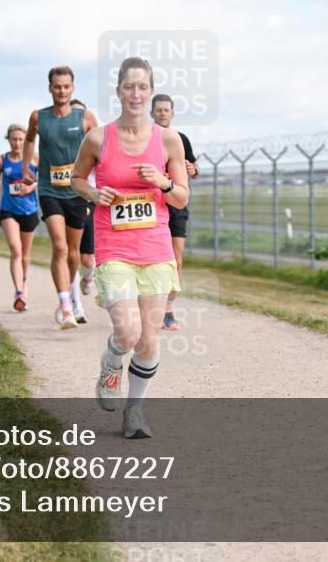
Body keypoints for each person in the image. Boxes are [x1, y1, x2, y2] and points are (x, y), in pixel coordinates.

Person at [70, 57, 189, 439]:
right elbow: (76, 178)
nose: (135, 93)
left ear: (150, 91)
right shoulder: (97, 138)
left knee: (150, 340)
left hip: (154, 247)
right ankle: (111, 362)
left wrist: (164, 182)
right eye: (128, 87)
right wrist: (93, 191)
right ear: (118, 91)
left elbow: (182, 199)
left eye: (142, 87)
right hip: (114, 246)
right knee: (127, 332)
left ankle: (134, 413)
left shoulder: (168, 140)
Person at [22, 66, 99, 330]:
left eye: (66, 86)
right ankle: (65, 304)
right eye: (57, 86)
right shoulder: (38, 117)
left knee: (74, 252)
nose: (62, 91)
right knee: (60, 246)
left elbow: (100, 149)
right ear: (50, 88)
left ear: (73, 88)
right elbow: (29, 140)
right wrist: (25, 168)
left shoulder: (86, 117)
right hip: (49, 189)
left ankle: (73, 290)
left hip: (76, 191)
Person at [151, 94, 199, 330]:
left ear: (172, 114)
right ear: (151, 113)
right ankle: (148, 306)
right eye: (158, 110)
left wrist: (192, 168)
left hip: (176, 204)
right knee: (150, 259)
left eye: (166, 110)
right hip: (151, 204)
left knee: (175, 260)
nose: (162, 114)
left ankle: (169, 310)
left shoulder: (181, 139)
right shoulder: (145, 138)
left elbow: (194, 168)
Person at [0, 124, 40, 312]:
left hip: (29, 210)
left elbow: (44, 179)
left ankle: (23, 282)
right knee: (15, 249)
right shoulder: (1, 161)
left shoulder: (35, 158)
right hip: (8, 210)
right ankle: (19, 292)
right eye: (14, 139)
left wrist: (32, 187)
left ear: (26, 141)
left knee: (25, 254)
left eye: (21, 139)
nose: (17, 143)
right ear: (8, 140)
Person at [70, 99, 97, 303]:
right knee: (70, 254)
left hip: (90, 200)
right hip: (67, 201)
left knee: (87, 258)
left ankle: (88, 278)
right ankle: (72, 303)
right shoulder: (62, 148)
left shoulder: (96, 145)